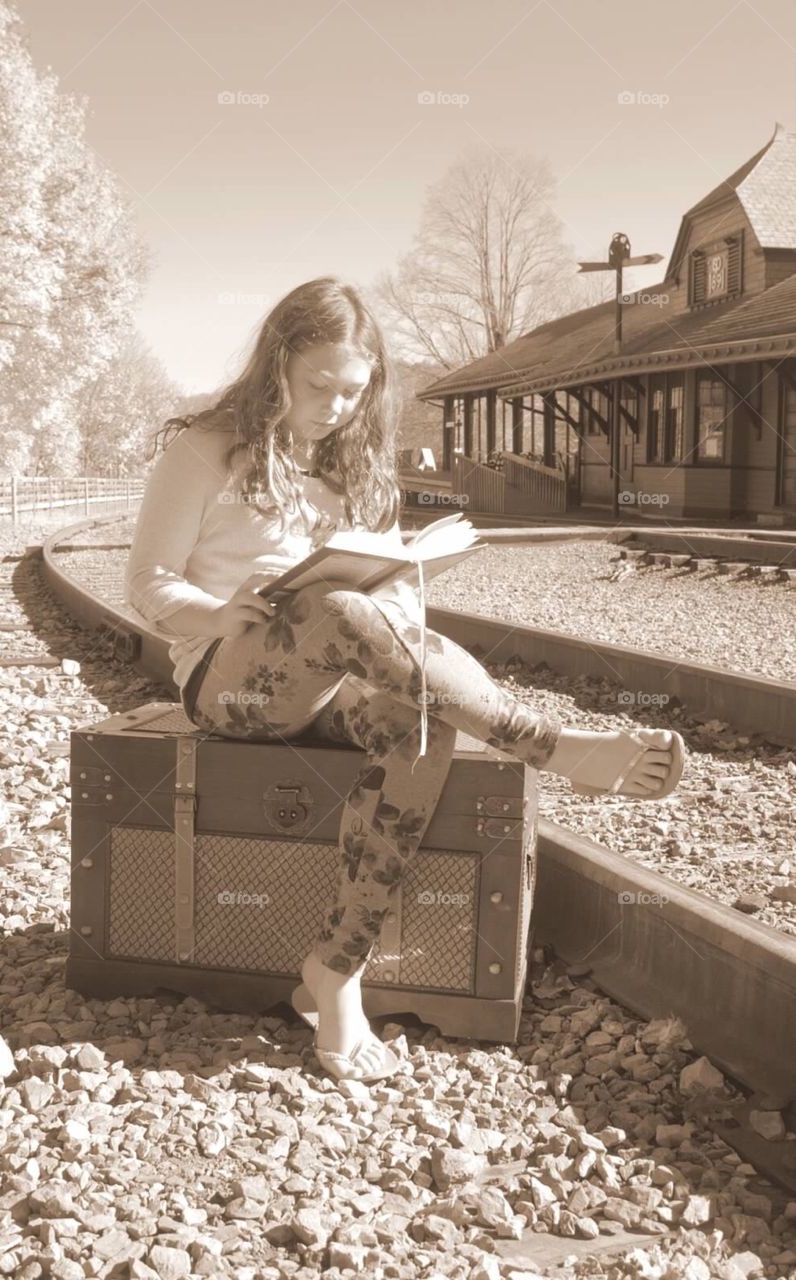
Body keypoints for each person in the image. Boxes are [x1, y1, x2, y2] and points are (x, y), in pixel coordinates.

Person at [125, 276, 685, 1085]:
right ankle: (550, 745)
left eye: (354, 392)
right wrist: (216, 613)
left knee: (416, 721)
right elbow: (145, 582)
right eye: (318, 386)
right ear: (275, 364)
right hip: (232, 680)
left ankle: (335, 972)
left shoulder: (357, 466)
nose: (335, 407)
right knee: (335, 605)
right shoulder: (204, 449)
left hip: (335, 674)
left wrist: (401, 580)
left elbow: (387, 605)